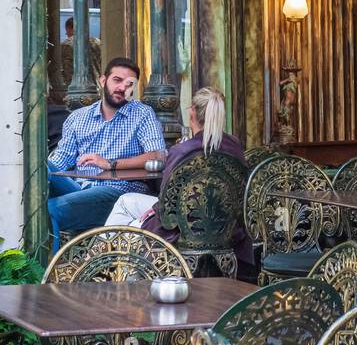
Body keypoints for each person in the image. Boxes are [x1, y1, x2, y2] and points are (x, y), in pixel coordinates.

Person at [104, 87, 253, 273]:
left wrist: (155, 210)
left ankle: (111, 264)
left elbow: (168, 201)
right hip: (227, 225)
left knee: (124, 222)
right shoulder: (235, 147)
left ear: (191, 113)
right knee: (125, 200)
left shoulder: (183, 151)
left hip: (180, 228)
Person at [47, 57, 167, 253]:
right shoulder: (78, 117)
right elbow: (60, 160)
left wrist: (110, 164)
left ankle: (45, 274)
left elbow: (158, 156)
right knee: (42, 169)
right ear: (103, 81)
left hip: (117, 190)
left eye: (129, 84)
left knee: (49, 210)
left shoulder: (142, 114)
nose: (122, 88)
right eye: (117, 80)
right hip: (78, 186)